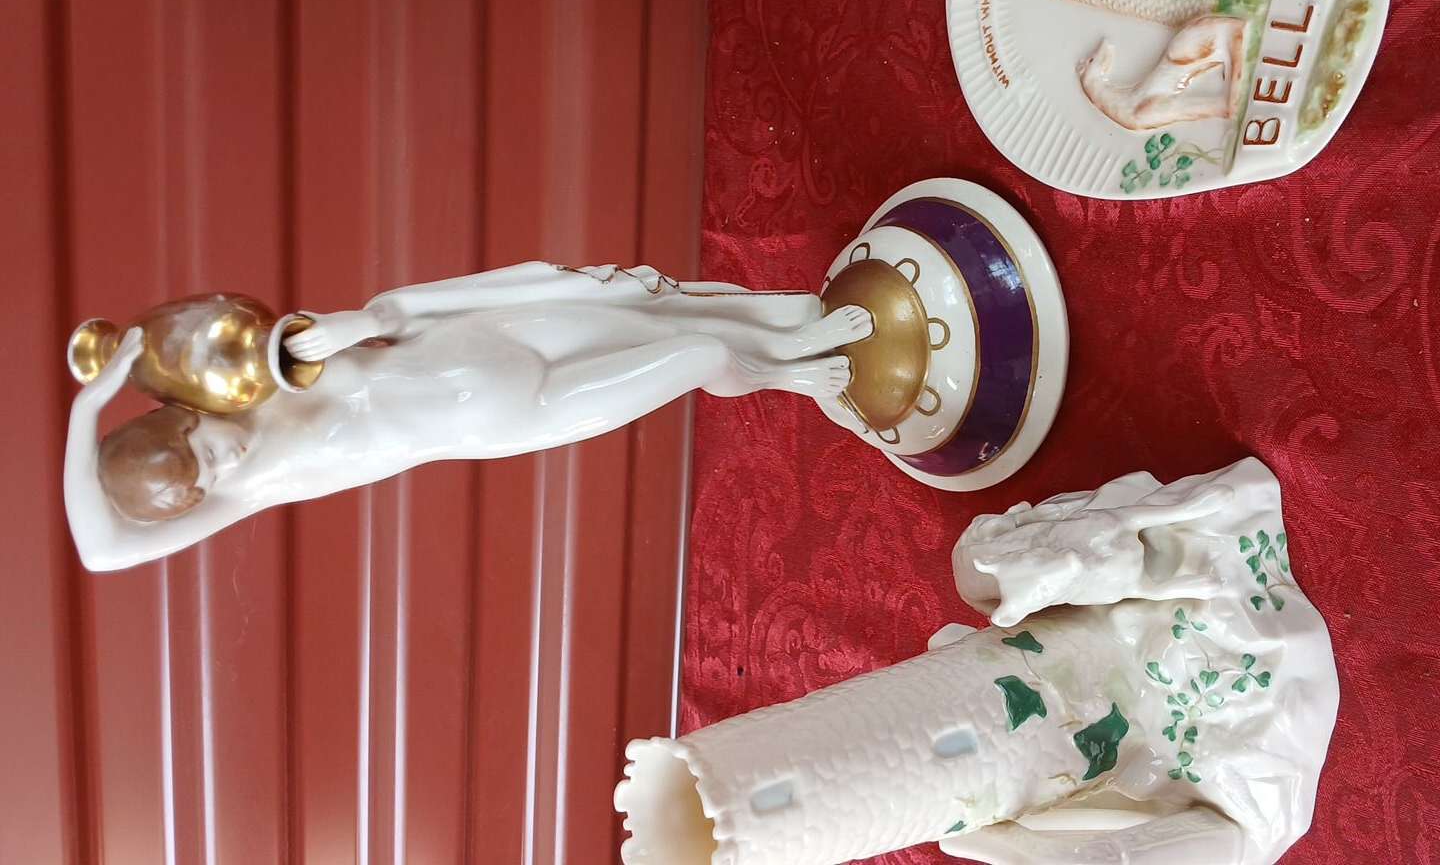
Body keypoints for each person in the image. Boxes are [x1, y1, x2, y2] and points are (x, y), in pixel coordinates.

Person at [65, 262, 870, 571]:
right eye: (209, 480)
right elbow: (101, 554)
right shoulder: (253, 489)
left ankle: (786, 332)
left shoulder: (263, 375)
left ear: (184, 415)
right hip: (512, 414)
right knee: (695, 358)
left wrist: (347, 325)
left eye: (206, 449)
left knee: (651, 312)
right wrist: (86, 414)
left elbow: (369, 325)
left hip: (483, 340)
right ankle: (791, 373)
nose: (226, 464)